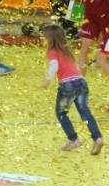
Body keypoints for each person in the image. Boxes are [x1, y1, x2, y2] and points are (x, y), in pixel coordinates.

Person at [41, 23, 104, 155]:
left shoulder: (52, 51)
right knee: (85, 112)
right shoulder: (67, 50)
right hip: (81, 82)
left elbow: (54, 66)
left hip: (67, 85)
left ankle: (73, 139)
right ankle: (97, 137)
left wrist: (47, 80)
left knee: (61, 113)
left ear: (50, 39)